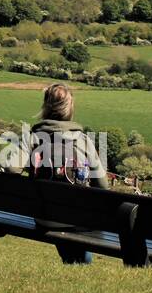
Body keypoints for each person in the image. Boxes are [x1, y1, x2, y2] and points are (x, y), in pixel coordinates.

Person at [25, 83, 108, 265]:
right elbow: (103, 186)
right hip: (76, 218)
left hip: (43, 217)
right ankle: (80, 266)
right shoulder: (83, 140)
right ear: (70, 108)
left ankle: (72, 262)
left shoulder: (32, 137)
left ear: (45, 107)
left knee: (62, 223)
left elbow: (10, 168)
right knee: (75, 221)